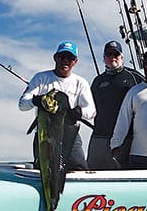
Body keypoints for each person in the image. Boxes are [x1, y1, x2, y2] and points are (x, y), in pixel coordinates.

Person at [18, 41, 96, 170]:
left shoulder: (80, 82)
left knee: (80, 168)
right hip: (44, 136)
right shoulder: (40, 78)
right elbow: (22, 105)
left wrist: (79, 112)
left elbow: (91, 111)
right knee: (44, 171)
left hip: (70, 136)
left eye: (69, 58)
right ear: (55, 58)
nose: (65, 61)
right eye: (62, 57)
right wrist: (35, 100)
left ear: (75, 61)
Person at [87, 40, 144, 169]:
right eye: (109, 54)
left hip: (126, 139)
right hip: (100, 136)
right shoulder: (98, 81)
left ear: (122, 57)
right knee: (93, 172)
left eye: (116, 54)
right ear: (104, 58)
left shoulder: (134, 76)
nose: (112, 58)